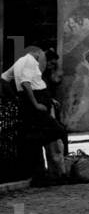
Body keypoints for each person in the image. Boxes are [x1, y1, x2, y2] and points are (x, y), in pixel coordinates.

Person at [2, 46, 67, 183]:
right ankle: (58, 173)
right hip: (37, 105)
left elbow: (4, 78)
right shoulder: (30, 60)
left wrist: (16, 97)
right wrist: (35, 103)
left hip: (34, 102)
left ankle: (41, 174)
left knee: (37, 139)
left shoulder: (20, 62)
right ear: (38, 53)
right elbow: (26, 83)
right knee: (58, 131)